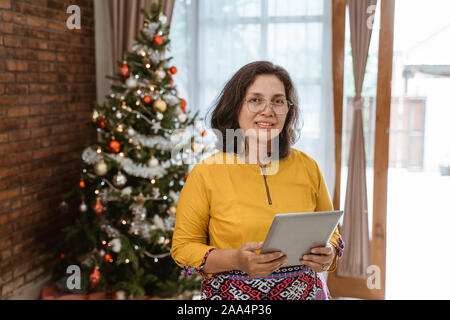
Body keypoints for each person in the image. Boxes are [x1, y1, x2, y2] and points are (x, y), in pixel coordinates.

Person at [171, 61, 344, 300]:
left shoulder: (308, 166)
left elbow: (331, 231)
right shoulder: (206, 173)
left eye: (278, 100)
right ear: (235, 108)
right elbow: (183, 248)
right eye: (255, 100)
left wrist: (329, 254)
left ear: (288, 109)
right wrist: (235, 259)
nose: (268, 110)